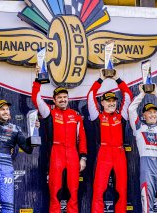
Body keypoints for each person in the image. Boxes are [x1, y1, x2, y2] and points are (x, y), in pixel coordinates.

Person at [32, 76, 87, 213]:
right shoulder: (49, 113)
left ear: (68, 99)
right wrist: (37, 81)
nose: (63, 100)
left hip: (73, 154)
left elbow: (82, 139)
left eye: (65, 97)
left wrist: (83, 157)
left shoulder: (75, 115)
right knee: (55, 191)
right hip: (56, 153)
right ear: (54, 100)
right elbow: (36, 99)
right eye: (59, 97)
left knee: (73, 191)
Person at [87, 70, 133, 213]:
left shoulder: (121, 116)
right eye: (108, 101)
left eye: (114, 101)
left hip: (119, 153)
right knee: (99, 190)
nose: (112, 103)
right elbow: (90, 96)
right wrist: (101, 79)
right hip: (104, 154)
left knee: (121, 190)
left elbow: (128, 95)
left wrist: (117, 78)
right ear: (102, 103)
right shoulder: (97, 116)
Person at [128, 84, 157, 213]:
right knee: (147, 202)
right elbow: (132, 109)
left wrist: (156, 92)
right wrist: (142, 94)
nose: (153, 114)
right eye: (149, 112)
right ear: (144, 115)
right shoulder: (139, 127)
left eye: (154, 112)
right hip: (147, 164)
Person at [0, 99, 35, 213]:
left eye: (7, 109)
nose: (6, 111)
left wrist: (34, 132)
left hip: (6, 167)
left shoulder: (15, 129)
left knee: (7, 203)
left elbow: (28, 149)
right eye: (2, 109)